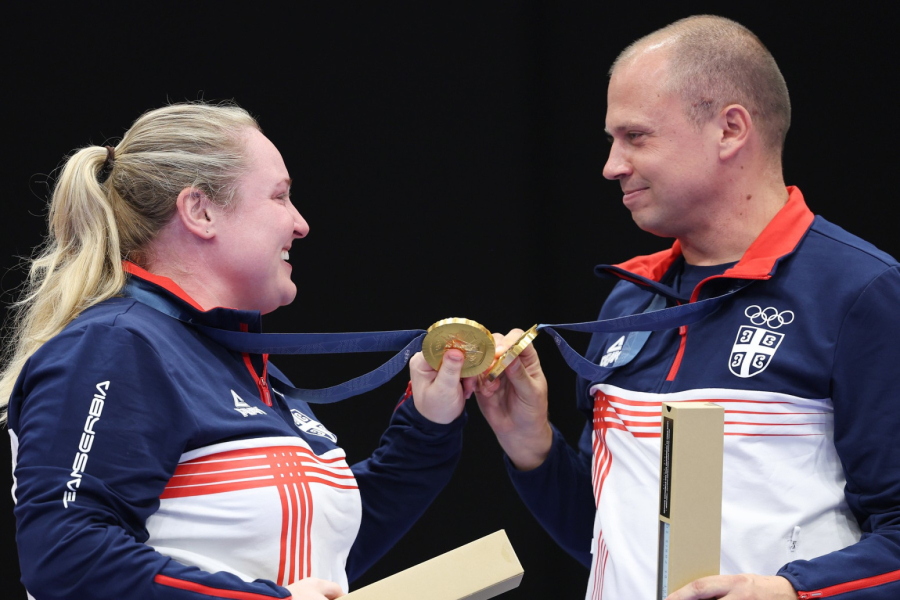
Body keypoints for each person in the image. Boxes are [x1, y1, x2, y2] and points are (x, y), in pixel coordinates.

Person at [476, 15, 900, 600]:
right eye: (611, 141)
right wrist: (533, 448)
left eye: (636, 136)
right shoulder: (629, 300)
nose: (611, 165)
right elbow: (609, 538)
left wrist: (788, 592)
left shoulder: (860, 293)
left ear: (729, 130)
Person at [1, 102, 475, 600]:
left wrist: (429, 426)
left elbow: (320, 555)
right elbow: (65, 557)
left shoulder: (236, 359)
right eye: (280, 196)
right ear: (200, 211)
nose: (301, 224)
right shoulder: (114, 345)